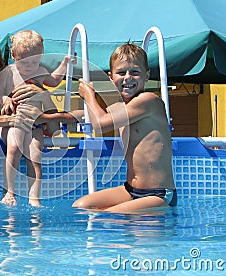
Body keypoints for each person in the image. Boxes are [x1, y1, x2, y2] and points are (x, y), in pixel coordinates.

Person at [72, 42, 176, 213]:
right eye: (121, 72)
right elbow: (91, 115)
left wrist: (89, 95)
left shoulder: (149, 100)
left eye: (135, 72)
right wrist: (45, 118)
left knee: (107, 216)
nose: (128, 77)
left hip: (157, 195)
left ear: (146, 76)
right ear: (111, 77)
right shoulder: (120, 108)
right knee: (82, 207)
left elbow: (100, 123)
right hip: (130, 190)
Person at [0, 30, 73, 207]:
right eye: (24, 61)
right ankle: (9, 191)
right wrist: (6, 99)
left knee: (35, 156)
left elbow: (53, 81)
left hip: (35, 124)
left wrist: (65, 64)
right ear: (14, 56)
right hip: (14, 121)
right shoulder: (8, 73)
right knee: (13, 149)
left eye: (35, 61)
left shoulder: (41, 71)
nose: (30, 66)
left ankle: (34, 196)